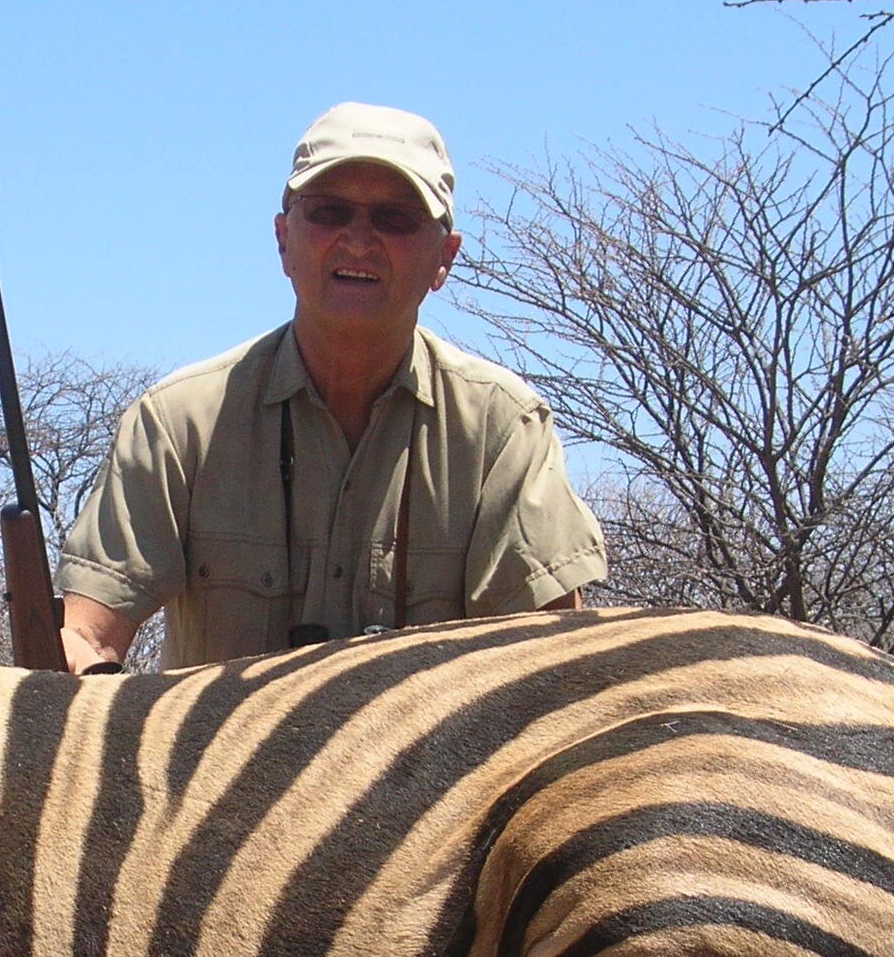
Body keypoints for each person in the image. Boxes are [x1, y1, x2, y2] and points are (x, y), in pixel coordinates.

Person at [54, 103, 606, 673]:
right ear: (282, 239)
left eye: (395, 219)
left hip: (436, 764)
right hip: (218, 763)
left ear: (444, 258)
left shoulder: (502, 428)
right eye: (328, 212)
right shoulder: (176, 421)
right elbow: (87, 640)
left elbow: (555, 662)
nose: (358, 241)